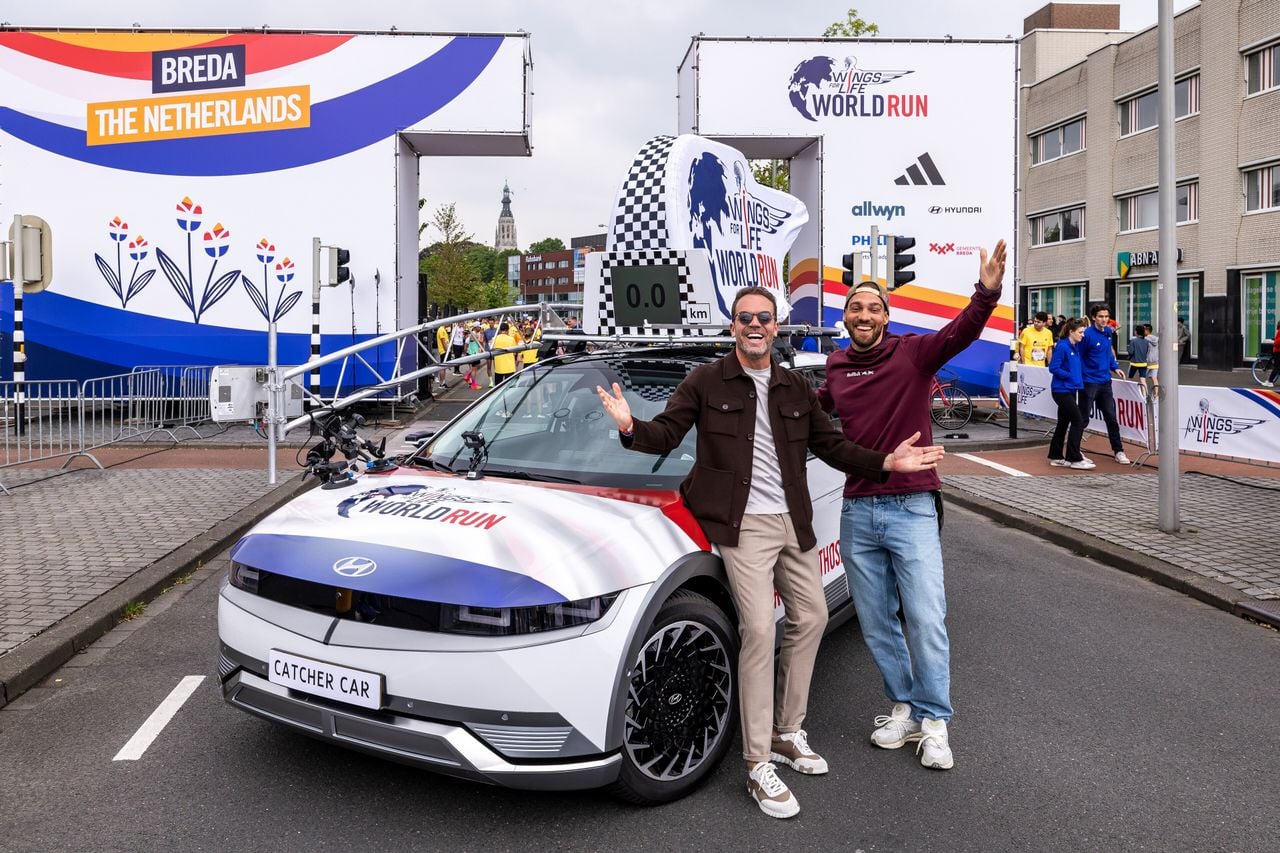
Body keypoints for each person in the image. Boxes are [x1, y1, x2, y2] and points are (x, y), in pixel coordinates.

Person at [595, 286, 944, 819]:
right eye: (744, 318)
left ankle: (787, 730)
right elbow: (666, 434)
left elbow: (832, 446)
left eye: (763, 317)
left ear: (776, 326)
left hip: (792, 522)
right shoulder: (706, 381)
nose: (754, 324)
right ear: (733, 326)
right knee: (759, 630)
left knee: (813, 616)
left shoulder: (794, 387)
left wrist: (887, 465)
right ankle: (758, 762)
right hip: (743, 526)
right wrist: (628, 426)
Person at [817, 239, 1006, 774]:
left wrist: (986, 291)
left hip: (912, 505)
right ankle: (903, 707)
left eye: (873, 307)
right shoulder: (835, 368)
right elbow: (805, 415)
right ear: (846, 316)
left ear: (886, 316)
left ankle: (936, 722)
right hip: (857, 509)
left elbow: (962, 331)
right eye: (856, 307)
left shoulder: (913, 353)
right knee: (877, 622)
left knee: (924, 617)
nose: (864, 314)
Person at [1080, 303, 1130, 465]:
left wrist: (1115, 367)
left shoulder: (1108, 332)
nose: (1104, 319)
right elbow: (1078, 356)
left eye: (1106, 316)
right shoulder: (1086, 335)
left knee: (1111, 417)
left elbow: (1108, 353)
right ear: (1094, 317)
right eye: (1100, 316)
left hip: (1105, 382)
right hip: (1088, 382)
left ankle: (1119, 451)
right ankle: (1074, 450)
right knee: (1083, 418)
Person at [1048, 319, 1091, 469]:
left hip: (1069, 389)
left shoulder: (1074, 346)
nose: (1082, 335)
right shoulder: (1063, 346)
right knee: (1078, 421)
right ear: (1071, 332)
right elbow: (1053, 367)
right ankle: (1074, 458)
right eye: (1080, 332)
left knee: (1063, 423)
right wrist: (1070, 376)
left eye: (1083, 332)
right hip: (1062, 390)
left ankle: (1056, 456)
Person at [1143, 324, 1160, 398]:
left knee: (1142, 378)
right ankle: (1156, 394)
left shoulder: (1145, 339)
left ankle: (1144, 394)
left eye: (1143, 330)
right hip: (1155, 361)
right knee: (1154, 378)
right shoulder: (1156, 338)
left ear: (1147, 330)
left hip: (1148, 361)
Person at [1263, 319, 1280, 387]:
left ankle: (1270, 382)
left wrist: (1275, 342)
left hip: (1278, 351)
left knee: (1276, 367)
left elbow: (1278, 342)